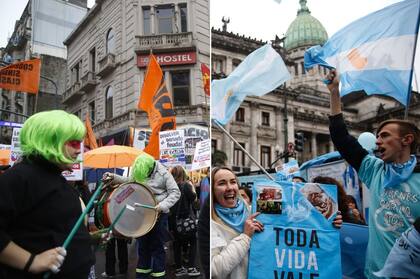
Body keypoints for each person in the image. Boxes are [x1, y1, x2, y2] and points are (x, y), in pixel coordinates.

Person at [326, 69, 420, 279]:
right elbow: (342, 138)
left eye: (385, 136)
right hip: (375, 275)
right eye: (377, 136)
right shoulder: (375, 170)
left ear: (407, 140)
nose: (377, 141)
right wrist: (334, 92)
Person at [0, 110, 95, 278]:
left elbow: (55, 231)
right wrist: (31, 261)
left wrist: (94, 238)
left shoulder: (58, 179)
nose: (79, 150)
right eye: (73, 143)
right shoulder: (19, 178)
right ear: (51, 141)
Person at [103, 153, 180, 279]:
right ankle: (142, 275)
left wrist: (162, 205)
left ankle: (158, 274)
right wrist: (114, 177)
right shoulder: (140, 169)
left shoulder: (164, 173)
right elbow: (130, 181)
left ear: (149, 169)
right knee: (143, 246)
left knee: (156, 246)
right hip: (142, 214)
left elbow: (175, 192)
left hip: (158, 214)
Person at [211, 166, 264, 278]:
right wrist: (245, 237)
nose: (230, 187)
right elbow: (214, 270)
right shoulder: (211, 223)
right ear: (213, 191)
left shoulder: (253, 213)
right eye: (222, 183)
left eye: (233, 182)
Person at [169, 166, 200, 277]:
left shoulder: (169, 187)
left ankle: (179, 268)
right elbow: (195, 202)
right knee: (193, 242)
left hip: (173, 221)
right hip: (186, 220)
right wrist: (193, 189)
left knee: (176, 244)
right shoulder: (186, 185)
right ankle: (191, 268)